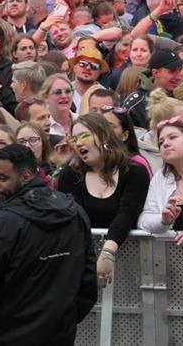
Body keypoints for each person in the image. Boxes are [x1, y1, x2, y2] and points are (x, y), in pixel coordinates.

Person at [0, 144, 97, 346]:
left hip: (7, 335)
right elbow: (88, 280)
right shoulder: (75, 212)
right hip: (54, 333)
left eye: (2, 178)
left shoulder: (5, 223)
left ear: (26, 176)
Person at [56, 114, 149, 288]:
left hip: (131, 266)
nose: (78, 143)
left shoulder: (135, 172)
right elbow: (73, 218)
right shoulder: (70, 175)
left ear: (104, 135)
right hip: (81, 266)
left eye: (84, 135)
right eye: (74, 139)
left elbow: (127, 214)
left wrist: (107, 252)